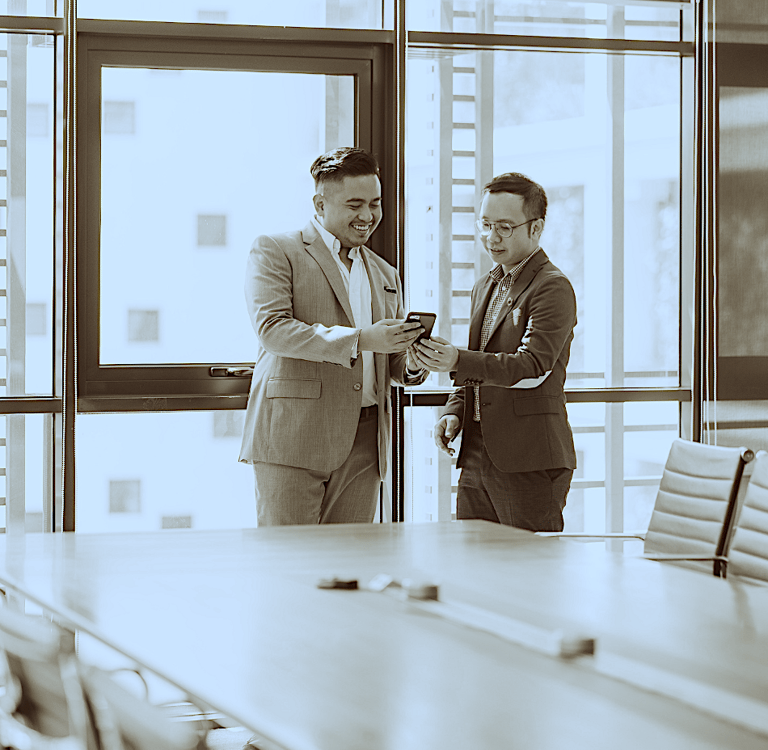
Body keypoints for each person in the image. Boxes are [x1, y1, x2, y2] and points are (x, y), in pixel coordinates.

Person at [238, 147, 426, 526]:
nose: (367, 215)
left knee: (349, 566)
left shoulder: (386, 273)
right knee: (289, 565)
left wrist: (413, 363)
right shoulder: (276, 250)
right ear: (320, 203)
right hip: (294, 434)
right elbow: (273, 330)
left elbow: (387, 362)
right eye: (354, 204)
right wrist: (361, 340)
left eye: (375, 203)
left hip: (367, 439)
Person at [412, 172, 577, 531]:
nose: (491, 237)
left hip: (528, 458)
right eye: (485, 224)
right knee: (476, 569)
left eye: (504, 227)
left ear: (536, 228)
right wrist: (455, 410)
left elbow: (532, 366)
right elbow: (478, 363)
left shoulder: (552, 287)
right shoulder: (485, 285)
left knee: (530, 574)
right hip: (475, 453)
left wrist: (456, 359)